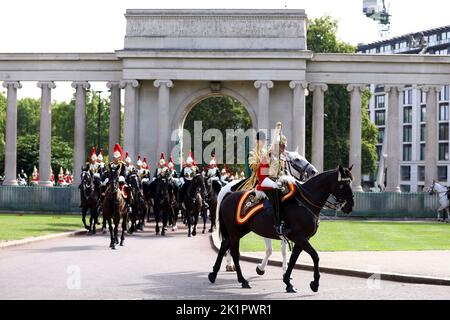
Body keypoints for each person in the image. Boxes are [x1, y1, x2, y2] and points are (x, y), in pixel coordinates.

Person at [258, 122, 289, 237]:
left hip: (277, 182)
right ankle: (278, 224)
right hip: (265, 183)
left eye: (284, 147)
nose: (283, 149)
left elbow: (282, 173)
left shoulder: (281, 159)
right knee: (276, 196)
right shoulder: (268, 157)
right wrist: (275, 184)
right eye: (282, 146)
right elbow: (262, 176)